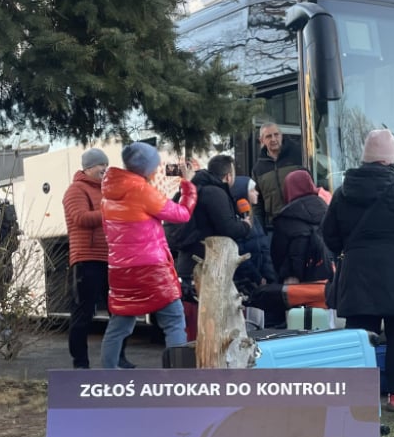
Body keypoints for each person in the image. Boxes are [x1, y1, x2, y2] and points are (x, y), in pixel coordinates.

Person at [322, 129, 394, 410]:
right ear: (391, 160)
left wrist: (350, 250)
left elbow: (328, 234)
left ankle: (358, 395)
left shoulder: (343, 192)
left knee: (360, 335)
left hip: (357, 275)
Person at [99, 142, 197, 368]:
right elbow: (181, 214)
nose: (156, 170)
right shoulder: (142, 191)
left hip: (120, 270)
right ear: (146, 168)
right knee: (174, 322)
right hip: (151, 269)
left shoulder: (107, 195)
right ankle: (178, 379)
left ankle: (106, 377)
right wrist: (188, 184)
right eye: (155, 165)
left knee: (119, 326)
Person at [62, 149, 133, 369]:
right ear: (88, 168)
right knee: (83, 313)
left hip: (112, 259)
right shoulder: (76, 190)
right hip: (87, 258)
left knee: (119, 311)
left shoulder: (108, 192)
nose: (104, 168)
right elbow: (81, 218)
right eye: (99, 164)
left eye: (106, 163)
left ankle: (119, 357)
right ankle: (80, 363)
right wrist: (112, 210)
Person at [171, 154, 252, 285]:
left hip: (187, 261)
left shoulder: (192, 189)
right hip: (206, 263)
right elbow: (228, 228)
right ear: (228, 176)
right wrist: (245, 226)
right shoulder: (215, 193)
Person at [271, 169, 333, 285]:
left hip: (295, 281)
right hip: (327, 274)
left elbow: (278, 254)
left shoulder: (284, 218)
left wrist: (288, 274)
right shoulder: (327, 209)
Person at [250, 123, 303, 230]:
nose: (273, 139)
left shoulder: (299, 156)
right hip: (274, 226)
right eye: (268, 136)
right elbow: (257, 204)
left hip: (300, 221)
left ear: (281, 135)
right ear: (262, 140)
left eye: (276, 134)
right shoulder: (258, 169)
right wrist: (260, 231)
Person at [230, 175, 278, 293]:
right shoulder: (234, 221)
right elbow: (239, 252)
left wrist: (268, 276)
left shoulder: (253, 218)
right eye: (252, 190)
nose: (256, 193)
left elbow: (263, 246)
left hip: (260, 278)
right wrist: (257, 277)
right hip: (245, 281)